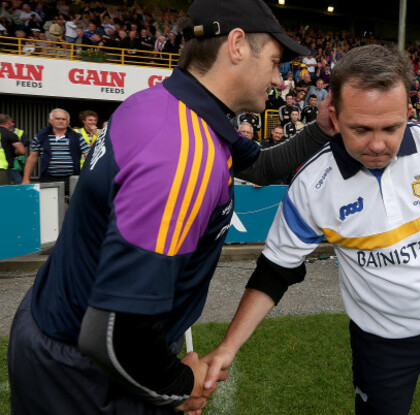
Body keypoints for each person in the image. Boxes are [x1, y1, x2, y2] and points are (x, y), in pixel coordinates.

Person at [7, 0, 337, 413]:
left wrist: (321, 128)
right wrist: (183, 386)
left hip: (57, 326)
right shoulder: (181, 152)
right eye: (274, 61)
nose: (278, 78)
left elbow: (262, 165)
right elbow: (114, 334)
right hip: (85, 373)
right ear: (236, 45)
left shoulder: (167, 105)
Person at [198, 44, 420, 415]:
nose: (378, 145)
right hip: (381, 344)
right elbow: (274, 272)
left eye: (392, 127)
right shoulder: (313, 186)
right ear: (335, 115)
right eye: (360, 129)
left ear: (408, 113)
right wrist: (228, 347)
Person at [21, 108, 89, 196]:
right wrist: (26, 179)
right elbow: (32, 158)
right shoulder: (41, 137)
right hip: (48, 179)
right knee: (49, 205)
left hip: (72, 178)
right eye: (57, 119)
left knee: (74, 206)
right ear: (50, 120)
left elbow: (88, 156)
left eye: (64, 119)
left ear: (68, 122)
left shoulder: (77, 137)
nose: (61, 121)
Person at [0, 113, 26, 184]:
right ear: (8, 122)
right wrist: (14, 153)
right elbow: (22, 151)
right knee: (3, 192)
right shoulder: (9, 134)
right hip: (3, 168)